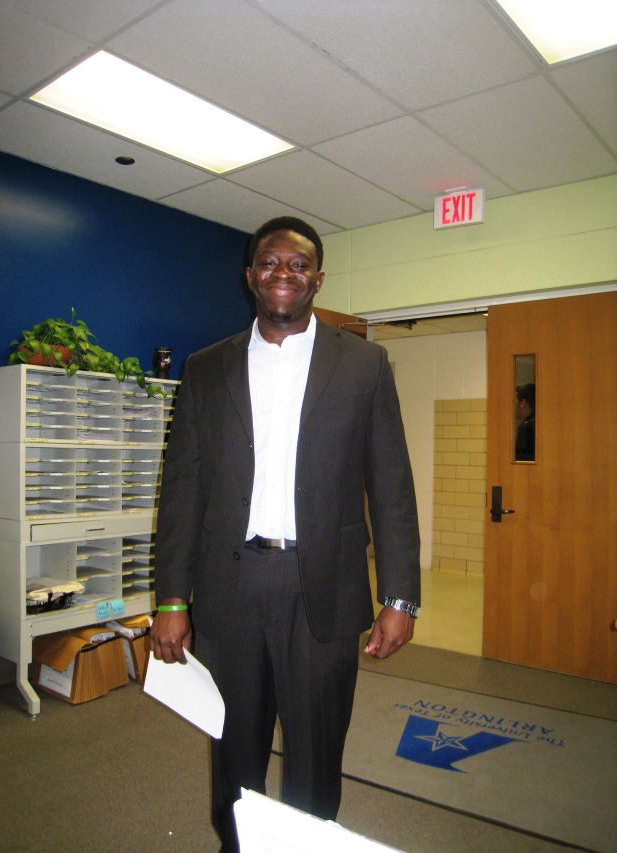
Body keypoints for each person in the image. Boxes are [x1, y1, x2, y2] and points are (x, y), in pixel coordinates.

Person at [150, 216, 421, 852]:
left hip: (322, 589)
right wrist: (172, 598)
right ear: (250, 275)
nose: (284, 274)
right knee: (234, 750)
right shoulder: (206, 368)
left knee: (316, 753)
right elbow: (183, 490)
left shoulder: (365, 364)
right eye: (270, 262)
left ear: (317, 280)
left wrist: (400, 597)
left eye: (299, 265)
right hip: (231, 587)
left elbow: (392, 485)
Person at [515, 382, 535, 461]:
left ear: (522, 403)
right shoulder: (539, 422)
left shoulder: (526, 427)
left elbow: (519, 459)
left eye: (514, 401)